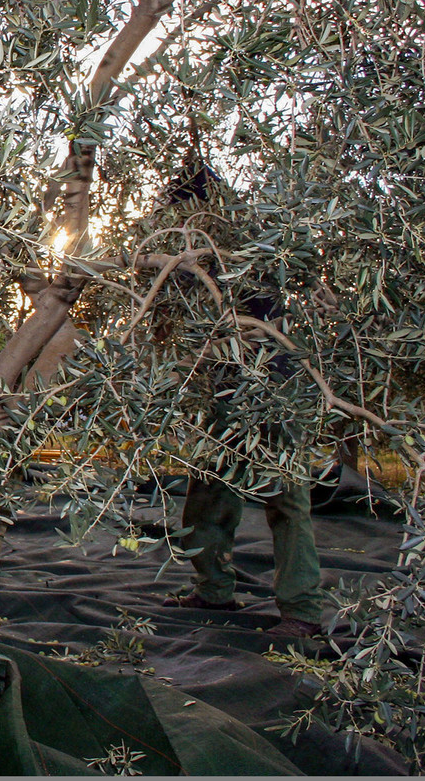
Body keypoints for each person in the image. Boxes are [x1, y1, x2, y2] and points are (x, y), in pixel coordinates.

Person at [151, 160, 326, 639]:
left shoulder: (250, 245)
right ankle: (212, 589)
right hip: (224, 384)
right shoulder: (201, 253)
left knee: (287, 500)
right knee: (208, 491)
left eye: (181, 211)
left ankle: (302, 612)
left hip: (273, 387)